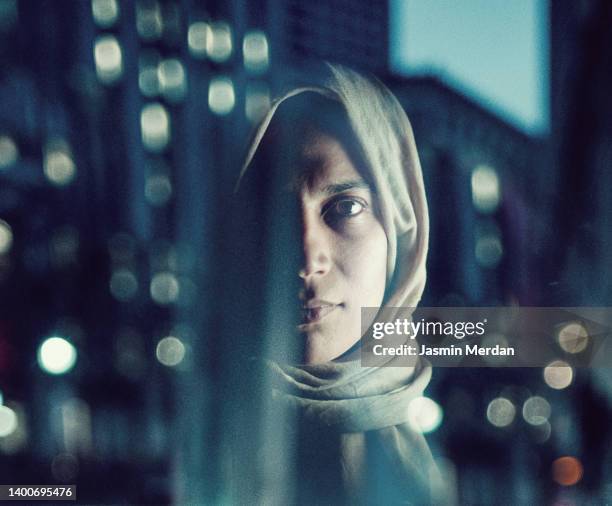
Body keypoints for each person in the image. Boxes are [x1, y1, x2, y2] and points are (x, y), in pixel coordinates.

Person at [232, 63, 443, 505]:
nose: (308, 258)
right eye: (276, 211)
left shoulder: (444, 457)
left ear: (401, 228)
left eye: (345, 208)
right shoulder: (198, 428)